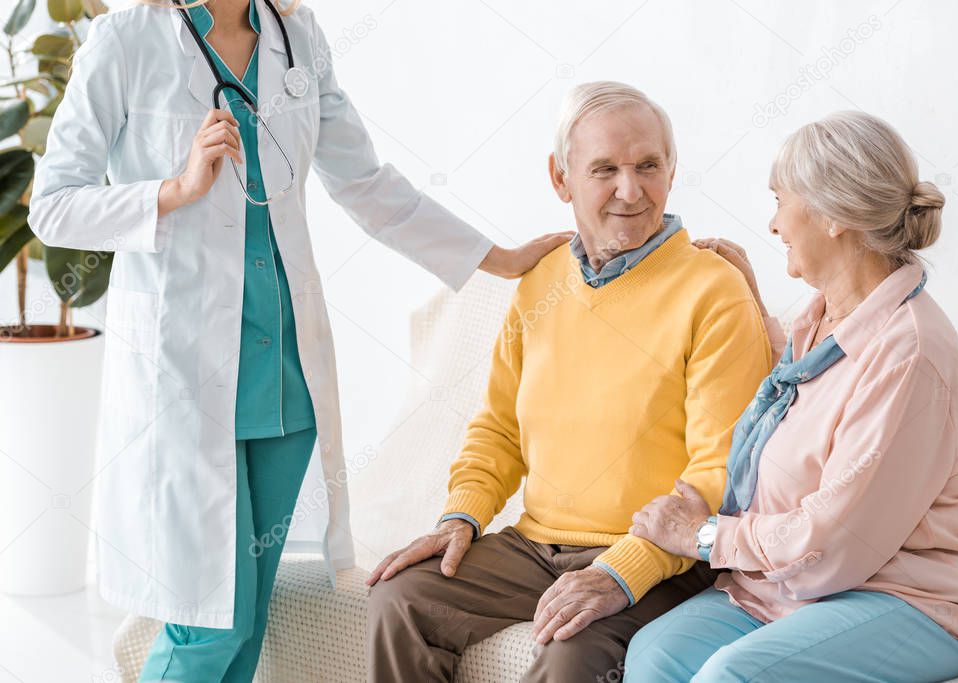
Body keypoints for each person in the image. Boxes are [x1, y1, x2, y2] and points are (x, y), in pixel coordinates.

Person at [27, 1, 568, 679]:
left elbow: (367, 185)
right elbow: (53, 206)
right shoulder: (126, 40)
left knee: (246, 619)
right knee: (205, 625)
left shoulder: (295, 35)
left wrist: (498, 256)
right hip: (184, 376)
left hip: (284, 376)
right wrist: (175, 188)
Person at [364, 81, 772, 682]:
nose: (630, 191)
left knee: (572, 652)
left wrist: (621, 570)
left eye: (648, 166)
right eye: (604, 169)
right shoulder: (541, 278)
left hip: (667, 556)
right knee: (399, 601)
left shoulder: (713, 288)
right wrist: (462, 517)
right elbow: (500, 427)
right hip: (535, 546)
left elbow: (723, 470)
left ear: (671, 170)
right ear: (561, 178)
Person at [623, 111, 958, 682]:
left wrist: (701, 535)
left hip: (910, 600)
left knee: (735, 676)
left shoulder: (911, 355)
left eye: (780, 200)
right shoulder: (821, 318)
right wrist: (753, 307)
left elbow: (836, 544)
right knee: (654, 653)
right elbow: (806, 396)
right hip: (787, 591)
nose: (773, 224)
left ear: (831, 216)